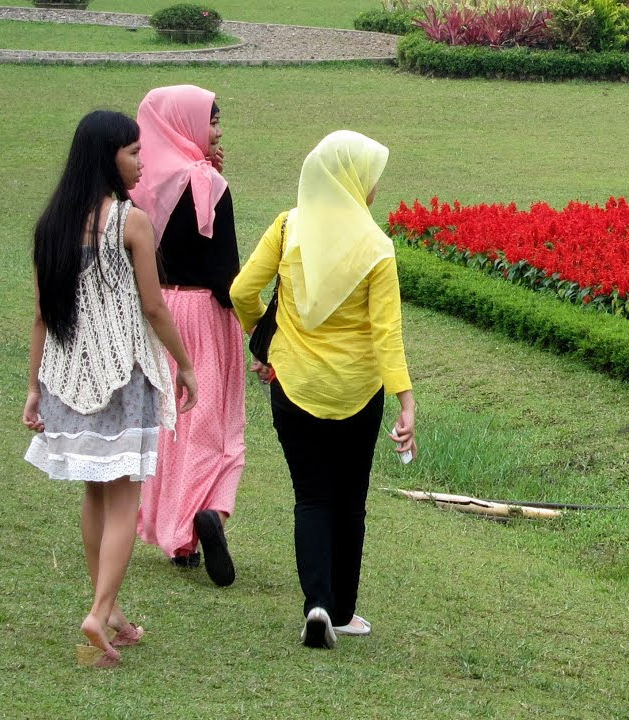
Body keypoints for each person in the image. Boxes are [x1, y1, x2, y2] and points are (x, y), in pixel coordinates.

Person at [22, 110, 197, 668]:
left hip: (66, 380)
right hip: (122, 377)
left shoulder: (51, 225)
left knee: (95, 494)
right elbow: (153, 306)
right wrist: (186, 364)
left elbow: (41, 317)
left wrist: (33, 389)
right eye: (131, 152)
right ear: (107, 158)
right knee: (125, 499)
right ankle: (99, 613)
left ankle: (112, 609)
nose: (140, 162)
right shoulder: (131, 222)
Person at [230, 130, 417, 649]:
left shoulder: (288, 227)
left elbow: (243, 291)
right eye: (370, 178)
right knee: (350, 501)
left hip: (294, 386)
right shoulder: (378, 249)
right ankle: (343, 611)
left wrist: (264, 343)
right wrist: (406, 399)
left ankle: (315, 603)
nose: (375, 188)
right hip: (358, 393)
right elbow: (386, 333)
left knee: (311, 497)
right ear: (350, 181)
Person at [130, 85, 244, 587]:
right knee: (217, 426)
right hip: (205, 314)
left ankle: (177, 533)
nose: (218, 131)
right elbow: (226, 277)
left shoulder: (143, 185)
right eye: (213, 121)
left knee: (171, 426)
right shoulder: (208, 186)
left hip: (160, 313)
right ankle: (209, 514)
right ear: (189, 125)